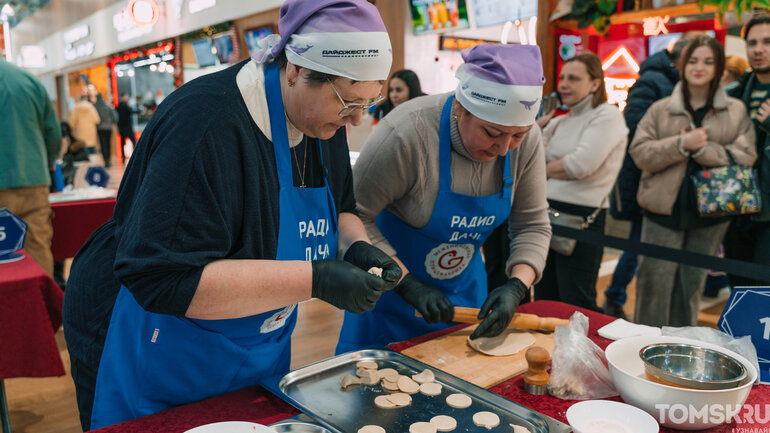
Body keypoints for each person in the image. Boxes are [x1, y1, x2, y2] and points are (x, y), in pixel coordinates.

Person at [62, 0, 401, 429]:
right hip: (152, 339)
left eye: (369, 102)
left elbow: (343, 208)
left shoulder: (324, 120)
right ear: (295, 69)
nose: (356, 119)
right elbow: (162, 279)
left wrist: (357, 249)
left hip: (254, 339)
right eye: (347, 101)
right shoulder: (206, 124)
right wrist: (317, 279)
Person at [336, 43, 551, 353]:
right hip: (386, 302)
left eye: (518, 135)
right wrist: (404, 283)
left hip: (464, 301)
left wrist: (517, 286)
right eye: (491, 133)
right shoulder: (405, 134)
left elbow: (532, 223)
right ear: (460, 107)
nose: (505, 149)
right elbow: (352, 217)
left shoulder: (526, 142)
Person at [630, 35, 756, 326]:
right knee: (653, 289)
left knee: (690, 291)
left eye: (708, 61)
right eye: (694, 60)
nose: (700, 67)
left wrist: (704, 150)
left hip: (711, 216)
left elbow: (746, 156)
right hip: (662, 213)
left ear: (719, 68)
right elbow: (640, 153)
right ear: (682, 65)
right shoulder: (661, 109)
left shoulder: (734, 110)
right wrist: (681, 144)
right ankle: (644, 353)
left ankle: (680, 355)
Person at [605, 37, 691, 318]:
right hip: (646, 175)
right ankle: (615, 295)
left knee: (642, 241)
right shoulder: (654, 79)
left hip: (662, 174)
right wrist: (676, 138)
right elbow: (635, 125)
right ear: (679, 58)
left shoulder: (671, 80)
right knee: (640, 240)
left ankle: (616, 295)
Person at [533, 53, 628, 311]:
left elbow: (580, 166)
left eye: (573, 78)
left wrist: (544, 170)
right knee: (544, 298)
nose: (563, 84)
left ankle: (580, 352)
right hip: (544, 212)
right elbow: (532, 160)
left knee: (576, 302)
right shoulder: (560, 120)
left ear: (595, 84)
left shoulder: (607, 115)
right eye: (562, 77)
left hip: (582, 218)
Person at [0, 56, 62, 276]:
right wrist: (44, 162)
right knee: (37, 248)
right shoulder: (28, 80)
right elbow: (53, 133)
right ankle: (41, 307)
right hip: (33, 180)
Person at [724, 14, 770, 286]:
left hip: (768, 211)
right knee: (738, 286)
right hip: (736, 205)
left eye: (767, 42)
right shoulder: (734, 92)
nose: (758, 49)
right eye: (752, 43)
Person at [92, 91, 117, 167]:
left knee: (103, 144)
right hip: (108, 127)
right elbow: (115, 116)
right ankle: (109, 159)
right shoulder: (107, 106)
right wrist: (112, 123)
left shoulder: (95, 107)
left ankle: (105, 160)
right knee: (108, 143)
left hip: (100, 128)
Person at [115, 92, 137, 163]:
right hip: (127, 127)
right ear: (123, 97)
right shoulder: (126, 106)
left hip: (121, 127)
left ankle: (123, 158)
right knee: (133, 141)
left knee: (122, 143)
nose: (127, 98)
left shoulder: (117, 107)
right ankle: (135, 156)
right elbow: (133, 112)